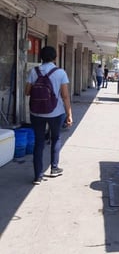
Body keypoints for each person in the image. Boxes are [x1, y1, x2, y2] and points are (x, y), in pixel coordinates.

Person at [25, 46, 73, 185]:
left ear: (40, 57)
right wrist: (69, 114)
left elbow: (27, 92)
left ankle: (38, 176)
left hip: (36, 112)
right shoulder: (60, 73)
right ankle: (54, 168)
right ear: (55, 57)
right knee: (56, 138)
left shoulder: (34, 71)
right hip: (56, 113)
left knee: (39, 142)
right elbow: (65, 96)